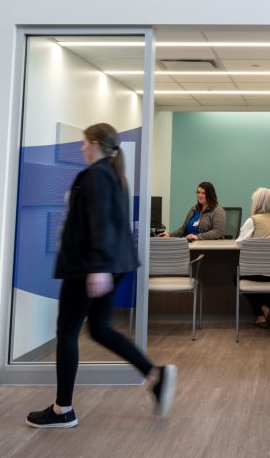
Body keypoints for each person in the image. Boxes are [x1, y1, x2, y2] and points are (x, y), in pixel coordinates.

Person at [26, 123, 177, 429]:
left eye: (83, 143)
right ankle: (154, 374)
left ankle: (62, 410)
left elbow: (100, 223)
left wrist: (97, 268)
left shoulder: (96, 175)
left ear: (94, 143)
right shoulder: (113, 176)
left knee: (67, 331)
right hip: (111, 263)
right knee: (99, 329)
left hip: (88, 266)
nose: (81, 148)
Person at [235, 187, 270, 328]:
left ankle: (267, 307)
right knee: (249, 274)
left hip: (259, 273)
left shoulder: (253, 220)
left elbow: (239, 244)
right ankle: (262, 314)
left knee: (236, 276)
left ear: (257, 203)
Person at [160, 181, 226, 241]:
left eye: (203, 193)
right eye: (198, 192)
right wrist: (170, 235)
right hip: (189, 242)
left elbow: (218, 232)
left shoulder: (218, 211)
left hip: (205, 244)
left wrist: (197, 237)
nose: (200, 195)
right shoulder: (194, 209)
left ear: (210, 195)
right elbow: (183, 229)